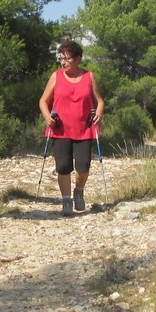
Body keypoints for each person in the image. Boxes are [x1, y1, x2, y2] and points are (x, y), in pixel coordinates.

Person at [38, 39, 105, 217]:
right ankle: (66, 200)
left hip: (84, 129)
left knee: (83, 166)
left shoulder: (89, 76)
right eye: (61, 58)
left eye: (67, 58)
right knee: (63, 166)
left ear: (78, 59)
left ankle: (79, 191)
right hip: (60, 129)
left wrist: (98, 113)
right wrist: (46, 116)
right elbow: (43, 100)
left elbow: (100, 101)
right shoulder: (56, 76)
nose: (63, 62)